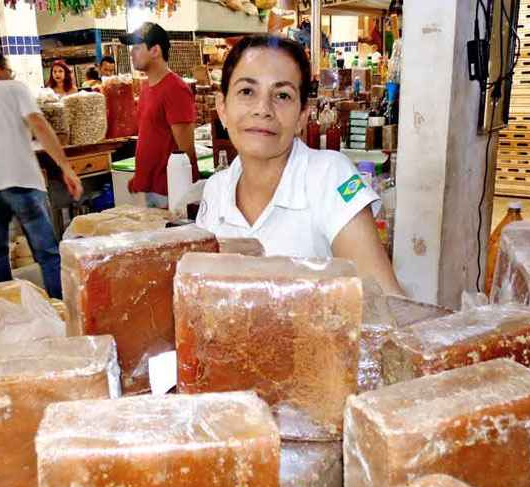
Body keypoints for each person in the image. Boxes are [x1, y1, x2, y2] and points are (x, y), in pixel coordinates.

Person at [196, 35, 403, 295]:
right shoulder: (215, 191)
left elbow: (385, 300)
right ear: (222, 107)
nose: (263, 109)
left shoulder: (330, 176)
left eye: (282, 95)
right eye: (247, 91)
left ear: (302, 116)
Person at [0, 51, 84, 299]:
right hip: (21, 180)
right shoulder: (14, 88)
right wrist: (65, 167)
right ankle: (64, 310)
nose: (9, 72)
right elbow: (39, 125)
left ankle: (1, 312)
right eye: (7, 68)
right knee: (46, 251)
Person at [119, 23, 198, 209]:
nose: (132, 53)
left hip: (171, 192)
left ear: (155, 51)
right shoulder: (146, 88)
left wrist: (183, 196)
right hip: (152, 191)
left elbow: (186, 150)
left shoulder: (175, 89)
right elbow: (151, 137)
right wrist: (140, 176)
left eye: (137, 47)